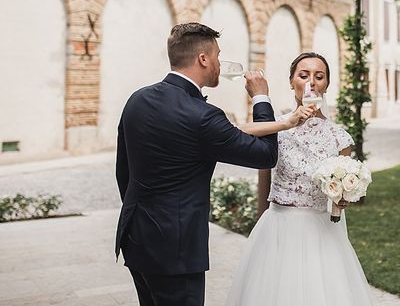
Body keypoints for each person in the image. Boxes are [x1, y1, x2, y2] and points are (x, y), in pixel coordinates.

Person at [115, 23, 314, 306]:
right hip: (177, 249)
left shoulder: (137, 100)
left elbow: (124, 170)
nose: (220, 64)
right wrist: (260, 97)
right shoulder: (203, 116)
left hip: (136, 239)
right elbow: (266, 155)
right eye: (218, 56)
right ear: (203, 59)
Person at [225, 52, 374, 306]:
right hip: (279, 226)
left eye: (319, 76)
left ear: (327, 84)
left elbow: (338, 199)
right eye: (303, 75)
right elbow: (235, 134)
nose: (311, 82)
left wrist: (342, 199)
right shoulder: (276, 127)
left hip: (322, 232)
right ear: (291, 81)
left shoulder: (340, 137)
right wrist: (285, 123)